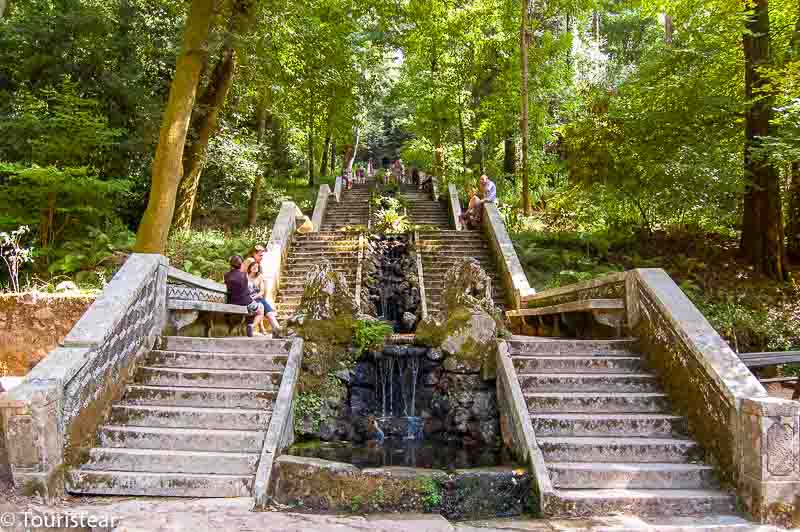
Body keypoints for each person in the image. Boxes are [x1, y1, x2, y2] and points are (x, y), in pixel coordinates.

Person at [225, 255, 264, 337]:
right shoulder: (244, 275)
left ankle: (248, 327)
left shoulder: (226, 275)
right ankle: (251, 326)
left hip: (231, 301)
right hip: (244, 302)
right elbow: (245, 290)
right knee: (261, 308)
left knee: (251, 307)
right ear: (241, 264)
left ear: (231, 264)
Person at [247, 260, 282, 337]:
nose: (255, 268)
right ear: (250, 267)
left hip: (258, 298)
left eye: (257, 267)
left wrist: (254, 297)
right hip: (248, 299)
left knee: (270, 314)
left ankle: (277, 330)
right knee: (262, 309)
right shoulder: (245, 276)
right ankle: (273, 330)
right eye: (254, 266)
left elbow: (262, 291)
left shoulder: (259, 277)